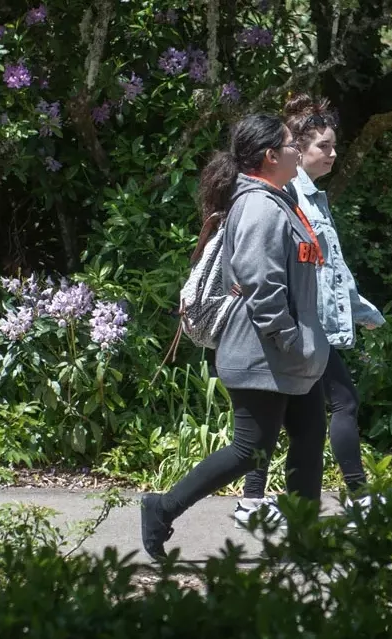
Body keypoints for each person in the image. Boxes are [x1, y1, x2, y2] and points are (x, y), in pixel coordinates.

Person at [141, 114, 331, 561]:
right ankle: (161, 508)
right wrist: (292, 339)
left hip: (290, 356)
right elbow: (261, 285)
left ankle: (303, 542)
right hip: (262, 354)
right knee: (250, 450)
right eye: (290, 147)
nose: (296, 153)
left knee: (308, 438)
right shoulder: (260, 206)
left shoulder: (278, 199)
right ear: (270, 156)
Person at [231, 95, 387, 529]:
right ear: (294, 149)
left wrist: (359, 310)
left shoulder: (310, 196)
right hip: (302, 327)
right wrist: (294, 331)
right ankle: (354, 496)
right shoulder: (284, 196)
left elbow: (330, 267)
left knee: (291, 415)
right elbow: (297, 271)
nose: (333, 154)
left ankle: (263, 501)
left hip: (307, 327)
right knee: (338, 404)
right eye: (324, 146)